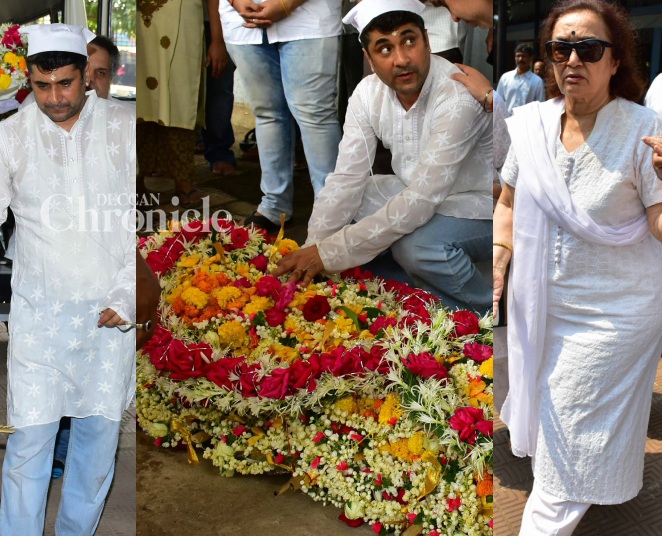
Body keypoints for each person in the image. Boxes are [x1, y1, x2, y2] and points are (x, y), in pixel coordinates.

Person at [0, 24, 136, 536]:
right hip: (41, 314)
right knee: (29, 442)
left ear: (87, 77)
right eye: (41, 85)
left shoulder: (123, 128)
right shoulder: (11, 136)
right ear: (27, 81)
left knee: (98, 437)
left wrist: (128, 293)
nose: (54, 97)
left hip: (110, 313)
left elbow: (140, 224)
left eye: (65, 83)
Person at [492, 1, 662, 536]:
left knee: (572, 410)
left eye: (588, 49)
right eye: (560, 48)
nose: (573, 60)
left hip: (618, 312)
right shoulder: (533, 125)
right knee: (557, 411)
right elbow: (508, 202)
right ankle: (579, 485)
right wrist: (500, 253)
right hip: (543, 305)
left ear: (616, 60)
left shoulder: (644, 131)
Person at [273, 0, 493, 315]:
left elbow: (422, 199)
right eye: (385, 48)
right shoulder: (367, 93)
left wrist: (329, 253)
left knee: (416, 247)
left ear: (427, 40)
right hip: (419, 195)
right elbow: (345, 179)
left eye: (409, 41)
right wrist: (312, 250)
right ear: (369, 58)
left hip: (481, 204)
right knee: (352, 202)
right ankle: (409, 294)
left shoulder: (456, 96)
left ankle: (483, 314)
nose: (401, 59)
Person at [220, 0, 344, 232]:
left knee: (315, 115)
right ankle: (274, 205)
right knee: (267, 114)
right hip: (242, 22)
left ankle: (332, 211)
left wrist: (286, 4)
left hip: (307, 17)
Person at [137, 0, 206, 207]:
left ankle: (183, 181)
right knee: (139, 99)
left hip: (183, 21)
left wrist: (218, 40)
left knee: (179, 94)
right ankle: (135, 183)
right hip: (136, 16)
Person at [201, 0, 237, 176]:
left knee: (218, 86)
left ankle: (219, 152)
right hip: (177, 20)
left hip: (218, 21)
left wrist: (218, 40)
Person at [497, 43, 546, 112]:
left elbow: (540, 105)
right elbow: (498, 101)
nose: (520, 59)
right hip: (507, 118)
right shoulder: (505, 78)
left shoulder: (537, 81)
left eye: (523, 56)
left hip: (528, 118)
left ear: (530, 58)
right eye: (518, 56)